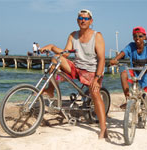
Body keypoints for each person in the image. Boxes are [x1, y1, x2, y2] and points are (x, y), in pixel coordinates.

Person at [40, 9, 107, 139]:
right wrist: (52, 46)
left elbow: (102, 59)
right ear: (77, 21)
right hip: (77, 68)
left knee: (95, 93)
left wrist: (97, 79)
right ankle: (50, 90)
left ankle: (103, 128)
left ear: (91, 21)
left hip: (92, 72)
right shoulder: (73, 35)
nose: (83, 20)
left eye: (86, 18)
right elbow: (65, 54)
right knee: (56, 59)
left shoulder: (97, 36)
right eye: (81, 18)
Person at [110, 26, 147, 134]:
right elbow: (122, 53)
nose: (137, 38)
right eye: (135, 36)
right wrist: (115, 60)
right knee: (123, 74)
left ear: (145, 37)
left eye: (140, 36)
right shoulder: (131, 46)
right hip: (135, 72)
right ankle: (128, 100)